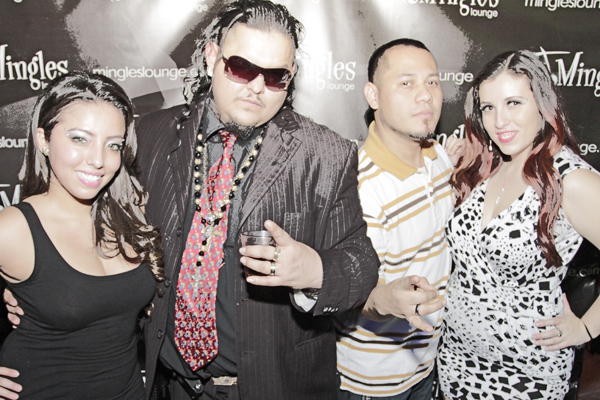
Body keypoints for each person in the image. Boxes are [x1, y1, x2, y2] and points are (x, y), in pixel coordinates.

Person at [131, 1, 379, 399]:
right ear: (212, 56)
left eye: (275, 75)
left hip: (273, 387)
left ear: (291, 75)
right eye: (242, 67)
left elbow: (361, 264)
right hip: (168, 385)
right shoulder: (151, 133)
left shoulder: (327, 154)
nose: (257, 87)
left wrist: (314, 270)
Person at [437, 49, 600, 399]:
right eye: (488, 108)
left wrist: (587, 328)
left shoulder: (569, 179)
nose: (500, 121)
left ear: (542, 105)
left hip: (527, 374)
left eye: (513, 103)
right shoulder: (485, 166)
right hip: (455, 359)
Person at [0, 71, 163, 399]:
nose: (98, 160)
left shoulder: (131, 215)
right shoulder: (14, 228)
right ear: (43, 140)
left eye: (113, 145)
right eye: (79, 139)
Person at [335, 39, 464, 399]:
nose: (425, 95)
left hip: (428, 364)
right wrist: (384, 300)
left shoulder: (437, 157)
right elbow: (347, 292)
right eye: (406, 83)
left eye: (432, 82)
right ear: (373, 96)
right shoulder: (360, 188)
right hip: (372, 382)